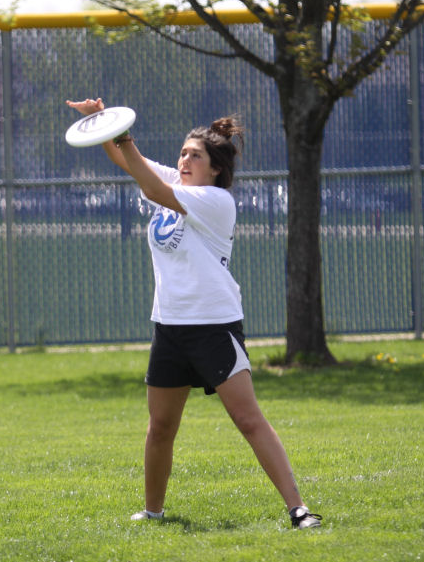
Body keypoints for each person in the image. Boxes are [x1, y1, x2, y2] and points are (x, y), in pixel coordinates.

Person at [66, 99, 323, 530]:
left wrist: (123, 134)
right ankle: (153, 512)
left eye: (195, 156)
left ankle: (299, 510)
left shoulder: (215, 201)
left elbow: (150, 187)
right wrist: (102, 121)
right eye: (183, 153)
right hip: (170, 327)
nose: (184, 160)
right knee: (160, 426)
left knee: (248, 419)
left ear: (216, 169)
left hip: (213, 326)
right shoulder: (175, 181)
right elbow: (124, 159)